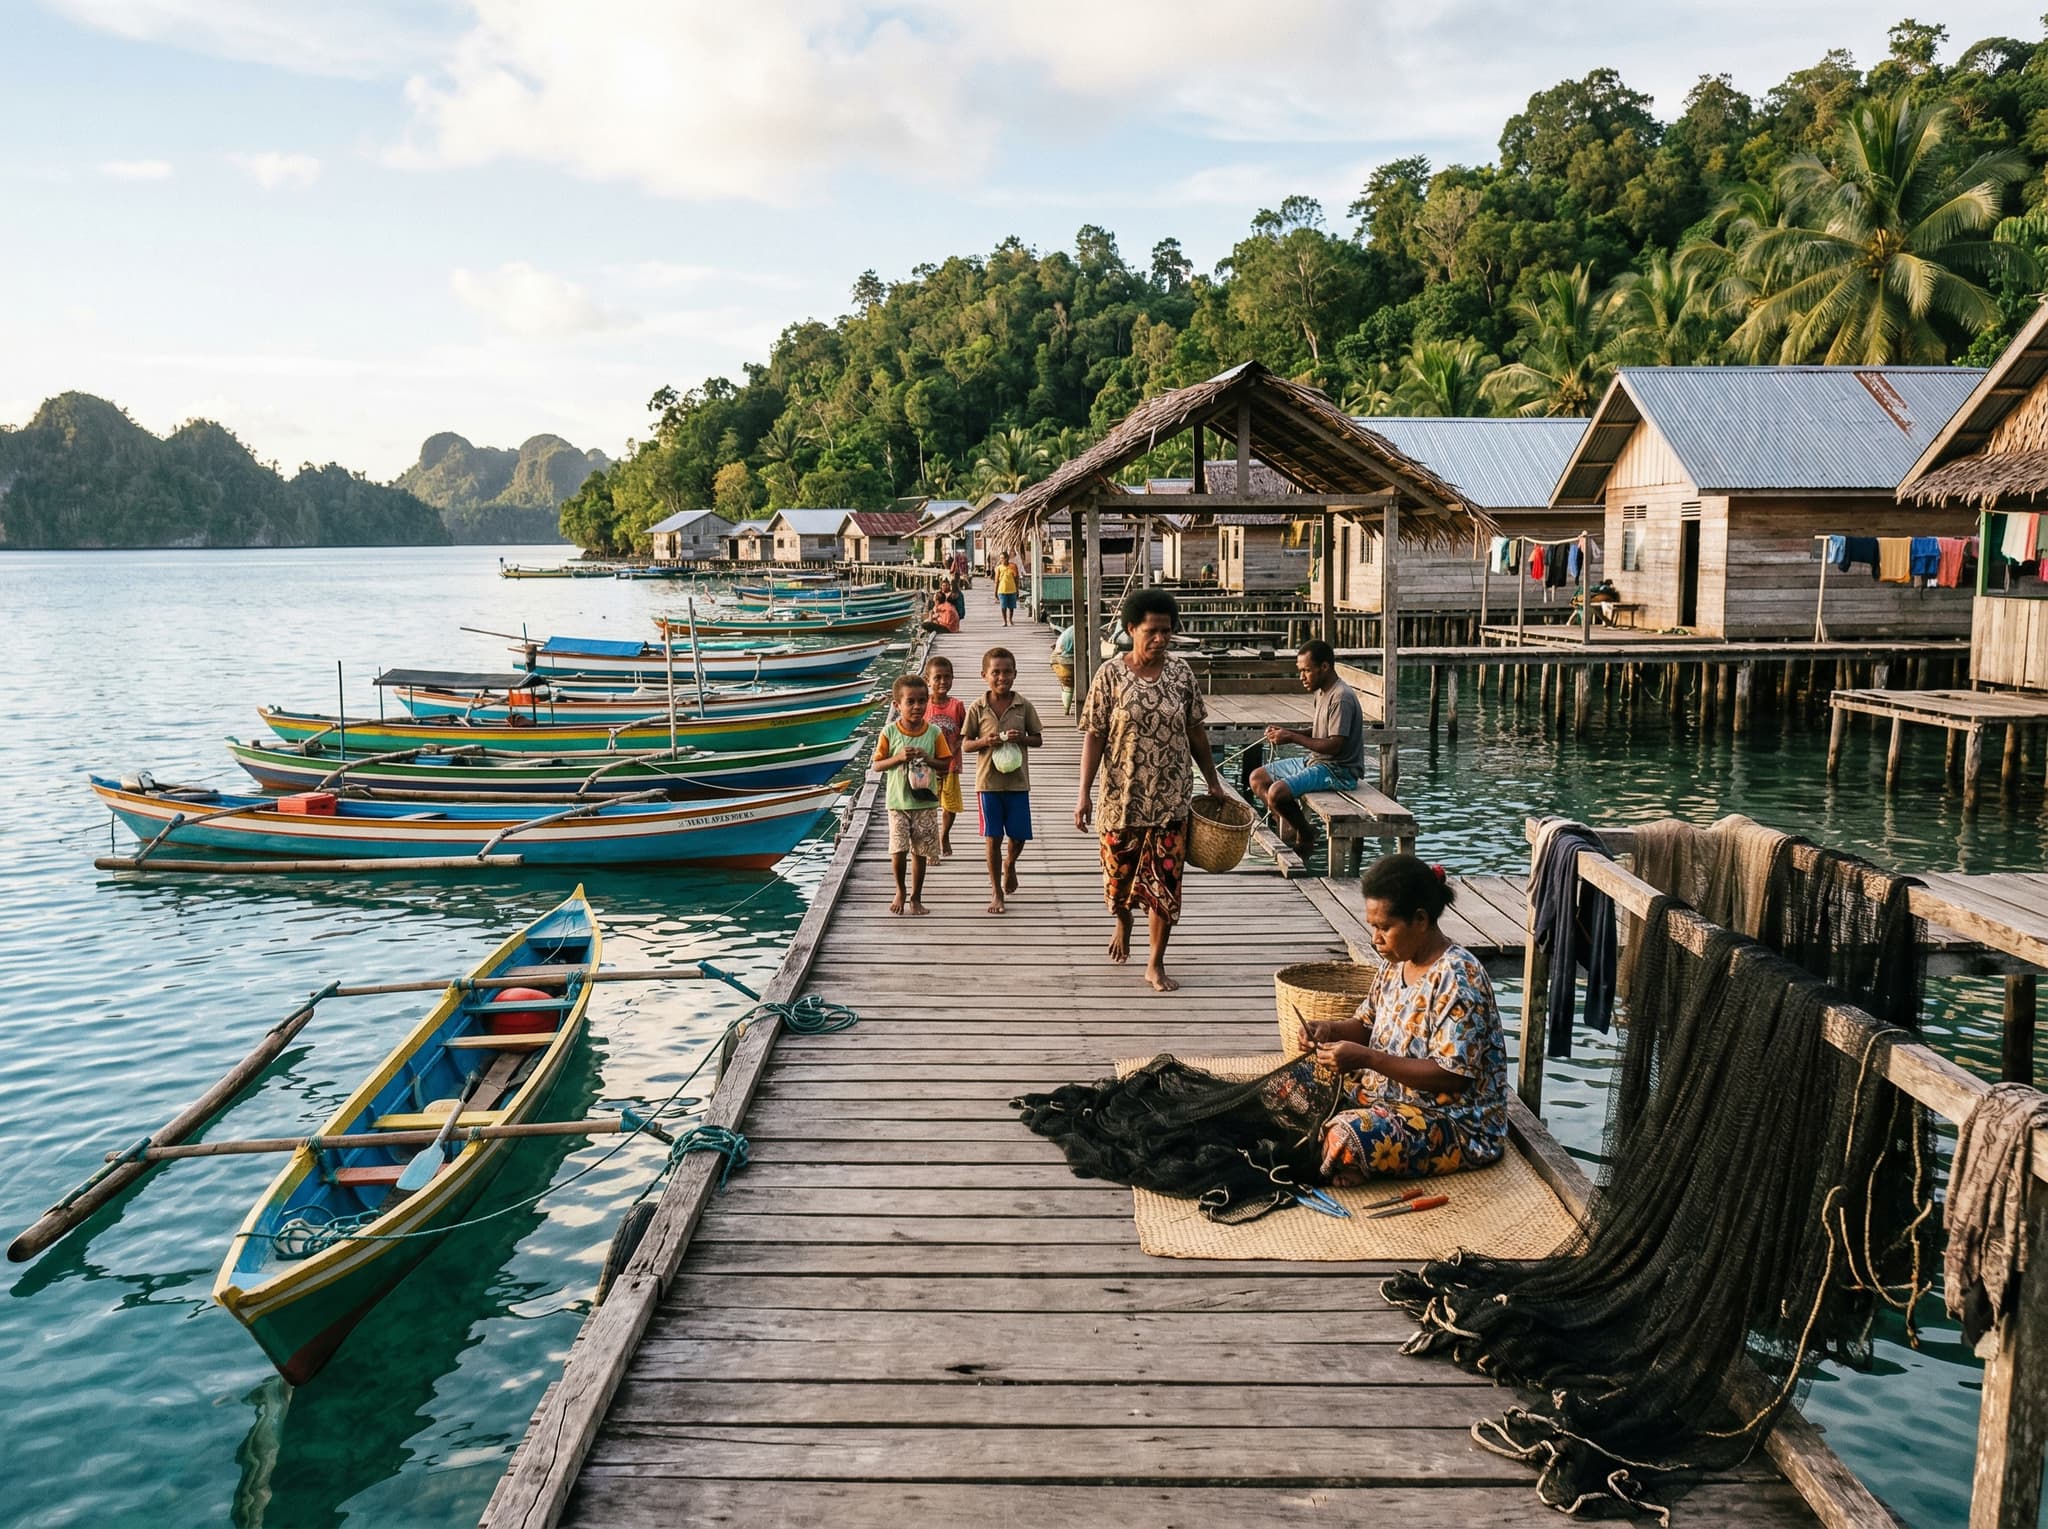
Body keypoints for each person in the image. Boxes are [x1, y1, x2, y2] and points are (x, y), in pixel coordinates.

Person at [1277, 854, 1508, 1182]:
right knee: (1288, 1087)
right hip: (1380, 1100)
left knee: (1347, 1136)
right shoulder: (1395, 963)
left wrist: (1368, 1058)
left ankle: (1350, 1157)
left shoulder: (1458, 978)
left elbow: (1451, 1077)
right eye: (1373, 926)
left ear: (1420, 920)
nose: (1375, 938)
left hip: (1450, 1123)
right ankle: (1348, 1160)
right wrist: (1327, 1030)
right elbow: (1365, 1025)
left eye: (1384, 927)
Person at [1075, 587, 1225, 993]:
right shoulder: (1109, 675)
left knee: (1165, 883)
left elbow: (1196, 730)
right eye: (1152, 631)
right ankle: (1123, 921)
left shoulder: (1181, 675)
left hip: (1171, 799)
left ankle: (1155, 963)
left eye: (1167, 632)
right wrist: (1083, 793)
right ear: (1131, 630)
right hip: (1120, 800)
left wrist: (1212, 781)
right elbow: (1094, 735)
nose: (1160, 639)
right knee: (1117, 879)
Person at [1246, 639, 1364, 862]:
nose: (1302, 677)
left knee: (1277, 793)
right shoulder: (1322, 691)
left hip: (1338, 771)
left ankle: (1306, 834)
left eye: (1307, 671)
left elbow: (1334, 745)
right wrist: (1287, 730)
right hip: (1316, 761)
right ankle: (1291, 825)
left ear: (1325, 667)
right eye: (1300, 671)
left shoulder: (1341, 697)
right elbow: (1318, 731)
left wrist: (1291, 737)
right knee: (1257, 778)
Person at [961, 646, 1044, 914]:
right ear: (984, 675)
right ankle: (996, 891)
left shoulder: (1023, 705)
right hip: (988, 784)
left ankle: (1010, 863)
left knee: (1018, 836)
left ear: (1015, 674)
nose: (1002, 677)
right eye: (995, 672)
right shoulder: (978, 707)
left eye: (1007, 672)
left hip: (1018, 783)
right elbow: (966, 745)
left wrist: (1022, 738)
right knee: (992, 837)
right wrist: (985, 741)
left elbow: (1038, 739)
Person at [871, 674, 951, 915]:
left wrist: (927, 758)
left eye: (922, 701)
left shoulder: (934, 732)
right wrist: (898, 758)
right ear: (897, 705)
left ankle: (916, 896)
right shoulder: (889, 732)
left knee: (921, 850)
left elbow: (945, 765)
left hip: (924, 801)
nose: (917, 706)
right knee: (898, 849)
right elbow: (877, 765)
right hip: (898, 802)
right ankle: (900, 889)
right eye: (910, 702)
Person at [923, 655, 968, 856]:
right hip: (927, 766)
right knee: (928, 805)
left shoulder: (957, 706)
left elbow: (965, 731)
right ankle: (931, 843)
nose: (942, 682)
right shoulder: (923, 706)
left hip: (950, 764)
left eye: (947, 677)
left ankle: (945, 834)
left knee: (949, 806)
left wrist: (956, 747)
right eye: (938, 677)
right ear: (927, 680)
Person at [994, 551, 1021, 627]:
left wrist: (1017, 589)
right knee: (1003, 607)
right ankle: (1004, 621)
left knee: (1011, 607)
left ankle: (1010, 619)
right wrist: (995, 593)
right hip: (1002, 590)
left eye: (1003, 558)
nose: (1002, 560)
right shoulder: (999, 568)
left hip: (1012, 590)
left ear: (1007, 558)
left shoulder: (1013, 566)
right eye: (1000, 558)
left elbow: (1016, 579)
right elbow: (996, 581)